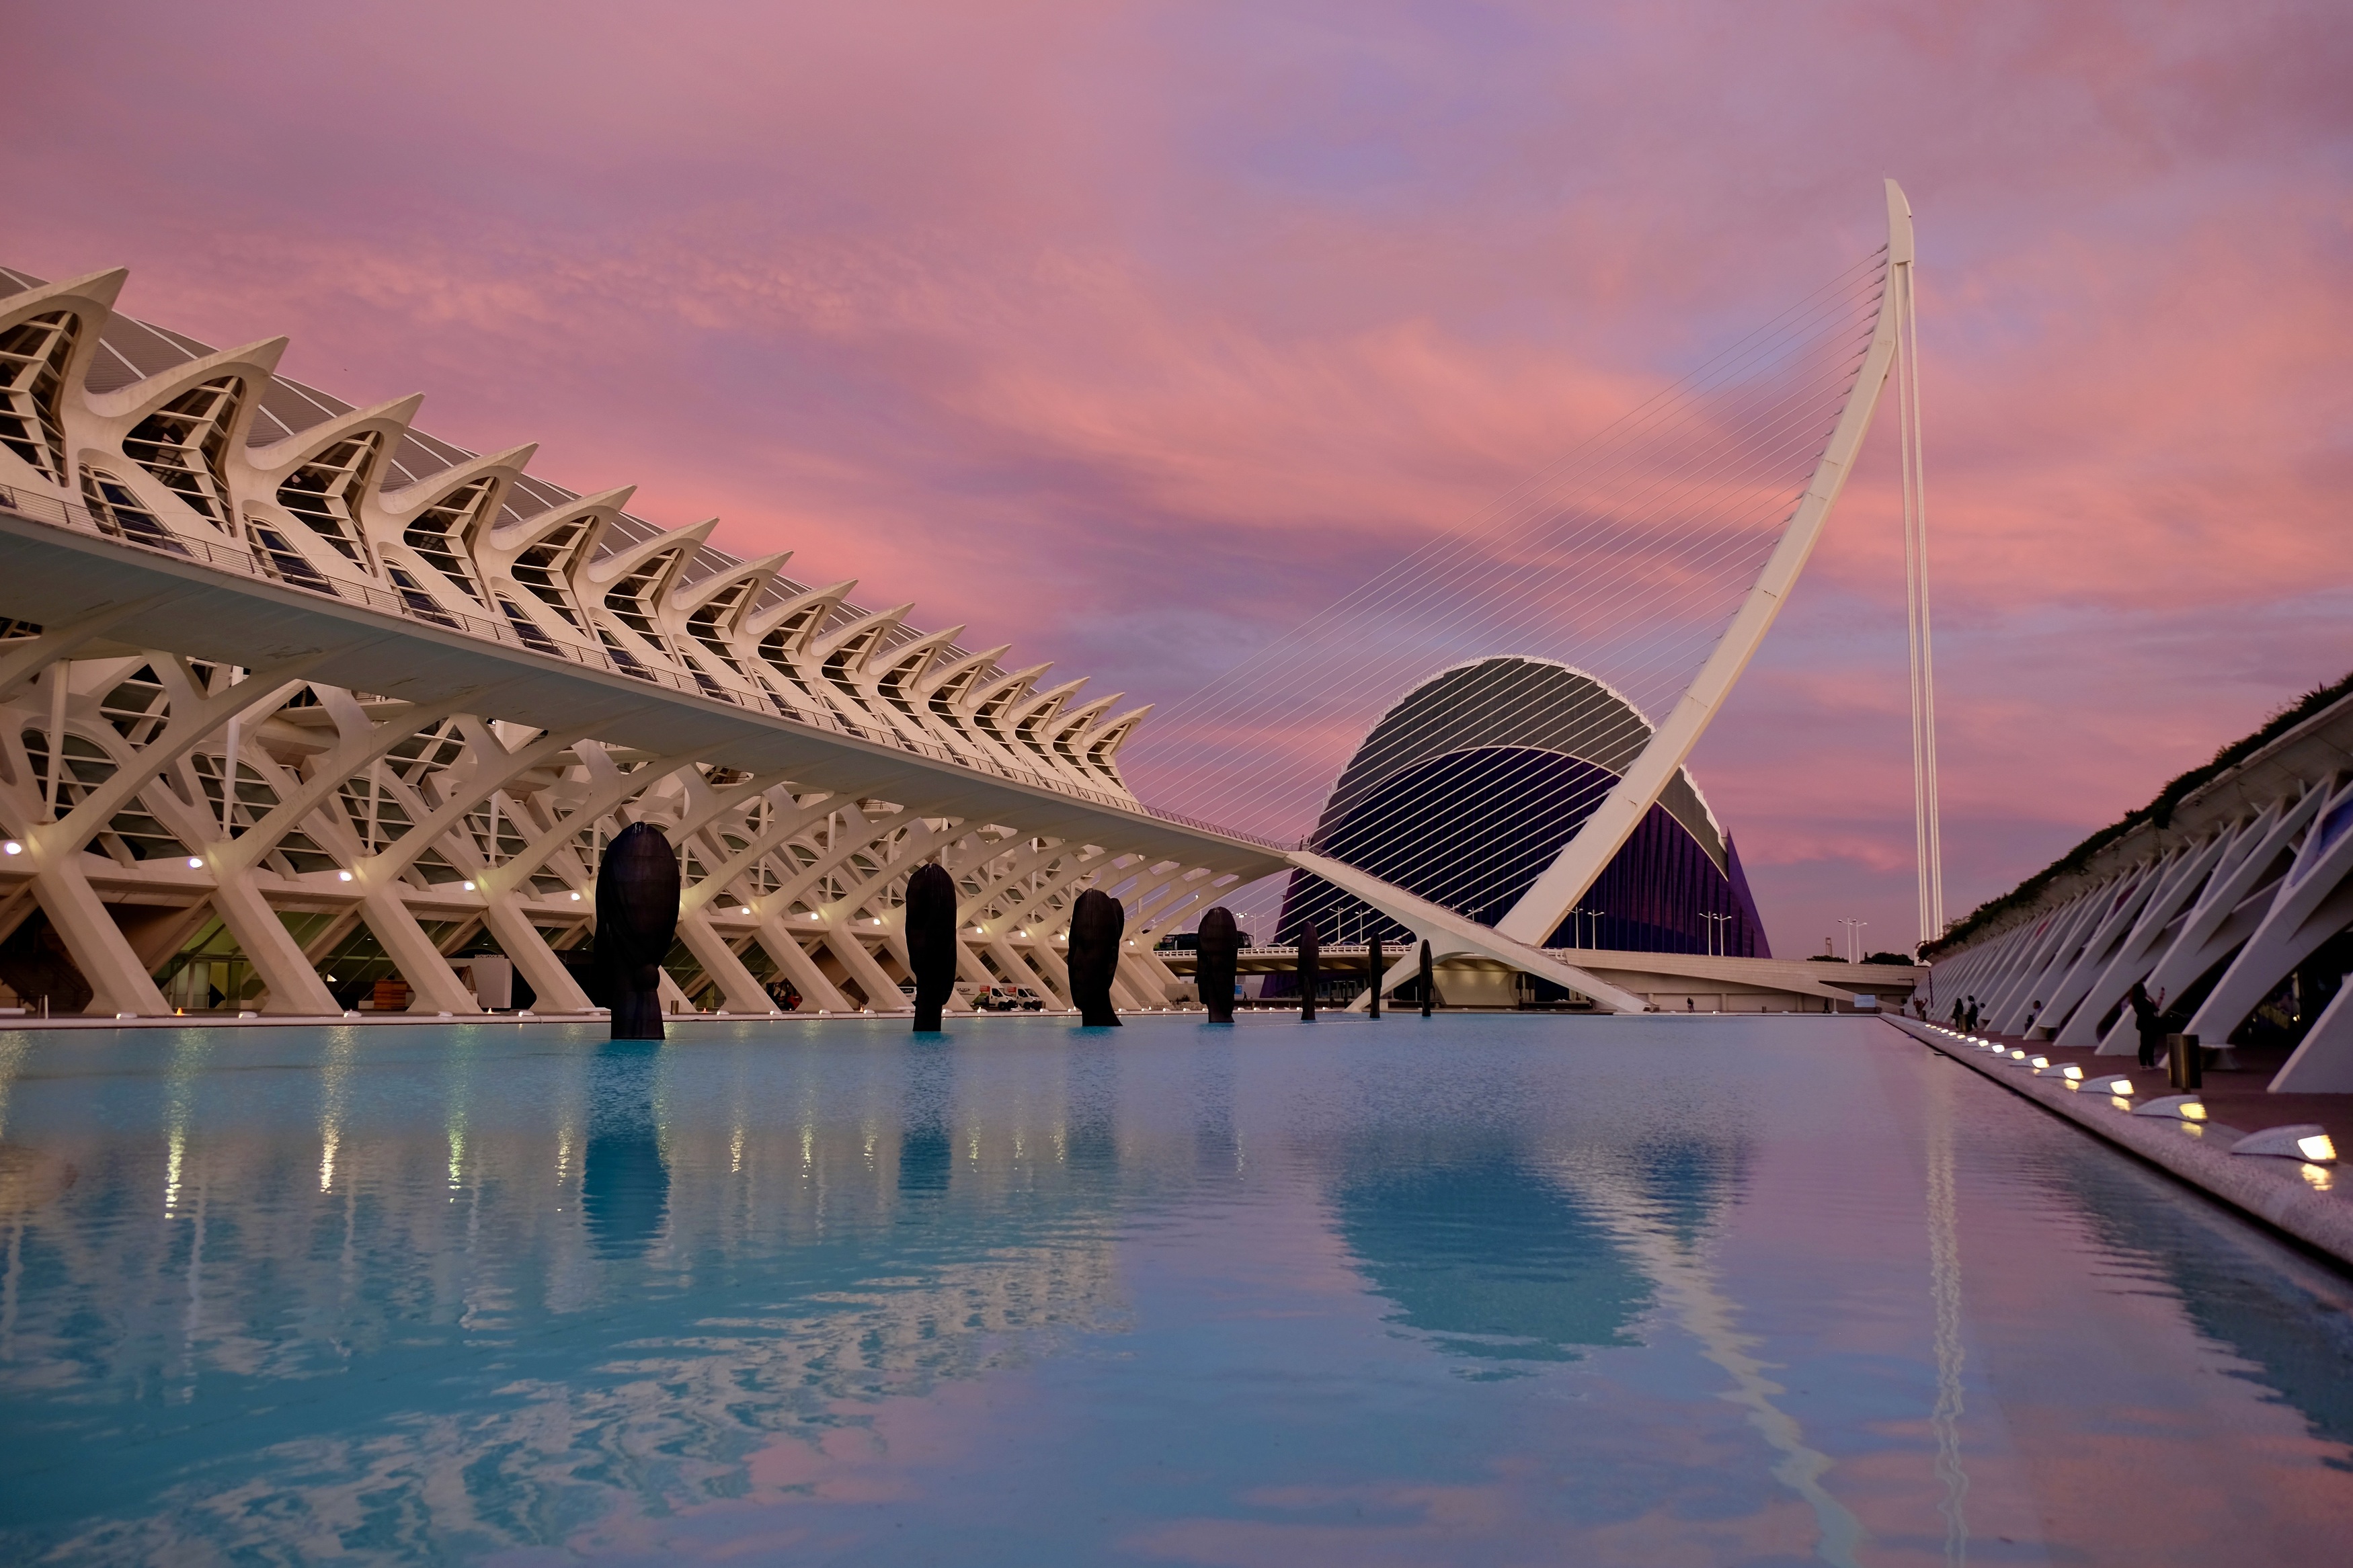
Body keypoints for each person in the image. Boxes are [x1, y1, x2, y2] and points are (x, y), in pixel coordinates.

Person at [2127, 981, 2167, 1070]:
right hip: (2147, 1022)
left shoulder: (2138, 1000)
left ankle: (2147, 1063)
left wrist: (2161, 996)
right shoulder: (2140, 1001)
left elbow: (2155, 1008)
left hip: (2146, 1023)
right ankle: (2146, 1064)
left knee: (2148, 1043)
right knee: (2147, 1043)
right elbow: (2154, 1008)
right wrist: (2160, 997)